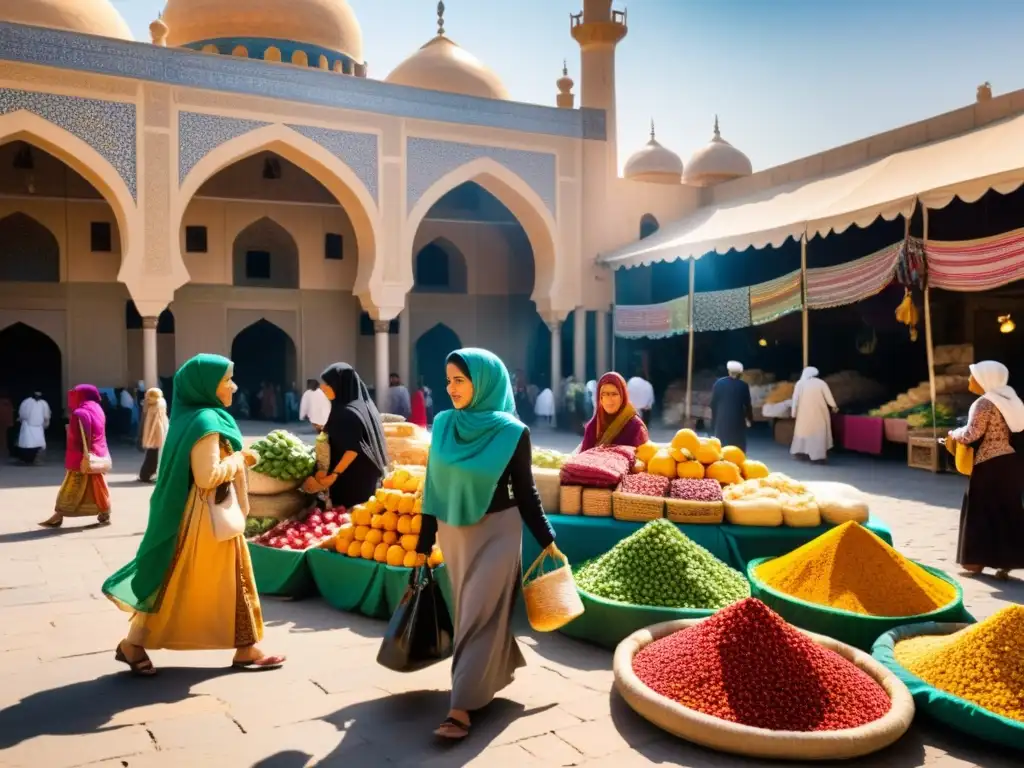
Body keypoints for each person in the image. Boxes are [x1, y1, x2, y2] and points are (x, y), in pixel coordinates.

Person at [102, 354, 284, 675]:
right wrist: (243, 458)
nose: (234, 386)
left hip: (195, 517)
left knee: (174, 580)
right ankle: (246, 649)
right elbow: (207, 476)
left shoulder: (191, 417)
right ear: (206, 386)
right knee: (231, 580)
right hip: (206, 519)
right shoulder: (205, 422)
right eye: (227, 380)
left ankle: (136, 642)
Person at [416, 349, 558, 741]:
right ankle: (493, 670)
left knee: (477, 611)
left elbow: (526, 491)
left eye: (460, 380)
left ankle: (459, 707)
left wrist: (547, 538)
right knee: (472, 612)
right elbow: (432, 484)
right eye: (448, 380)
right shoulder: (443, 423)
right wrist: (424, 539)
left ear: (485, 383)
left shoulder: (511, 431)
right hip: (453, 532)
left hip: (499, 530)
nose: (451, 389)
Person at [947, 361, 1024, 581]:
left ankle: (975, 561)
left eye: (973, 376)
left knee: (980, 512)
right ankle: (1008, 561)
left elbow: (972, 434)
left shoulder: (984, 403)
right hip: (1010, 464)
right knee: (1006, 511)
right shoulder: (1012, 401)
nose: (970, 380)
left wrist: (953, 435)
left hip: (989, 465)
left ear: (985, 380)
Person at [302, 363, 390, 510]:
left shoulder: (348, 412)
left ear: (340, 385)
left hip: (351, 480)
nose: (323, 387)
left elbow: (352, 449)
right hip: (366, 478)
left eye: (328, 384)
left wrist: (334, 475)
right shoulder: (364, 405)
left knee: (348, 519)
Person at [40, 385, 111, 527]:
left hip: (81, 458)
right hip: (99, 454)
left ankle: (59, 514)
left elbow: (77, 438)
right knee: (98, 486)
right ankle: (104, 512)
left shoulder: (80, 413)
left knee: (70, 487)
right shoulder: (98, 409)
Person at [578, 372, 650, 452]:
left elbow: (643, 458)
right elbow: (583, 457)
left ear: (622, 397)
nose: (609, 399)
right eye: (605, 394)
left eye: (614, 394)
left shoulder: (635, 426)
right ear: (600, 399)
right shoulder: (593, 426)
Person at [790, 367, 838, 463]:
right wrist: (834, 406)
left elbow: (795, 400)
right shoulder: (821, 383)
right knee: (818, 433)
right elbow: (828, 396)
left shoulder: (800, 384)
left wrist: (793, 412)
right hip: (819, 412)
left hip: (803, 414)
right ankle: (818, 457)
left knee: (803, 432)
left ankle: (801, 452)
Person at [710, 361, 753, 451]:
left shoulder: (719, 383)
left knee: (722, 445)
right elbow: (747, 405)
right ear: (740, 373)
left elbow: (713, 403)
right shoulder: (743, 385)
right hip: (738, 420)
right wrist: (749, 419)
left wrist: (714, 419)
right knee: (737, 446)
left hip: (722, 419)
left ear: (728, 371)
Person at [138, 388, 169, 483]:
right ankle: (148, 474)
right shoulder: (161, 403)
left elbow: (153, 424)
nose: (147, 399)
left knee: (152, 454)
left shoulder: (155, 406)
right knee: (155, 454)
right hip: (161, 431)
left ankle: (146, 475)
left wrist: (148, 438)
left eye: (148, 397)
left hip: (156, 433)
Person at [17, 391, 50, 465]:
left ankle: (35, 459)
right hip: (27, 426)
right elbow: (22, 414)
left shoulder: (43, 403)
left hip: (39, 427)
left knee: (39, 444)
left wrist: (46, 423)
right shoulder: (26, 402)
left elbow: (46, 415)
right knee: (27, 444)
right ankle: (25, 460)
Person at [0, 389, 13, 460]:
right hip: (5, 423)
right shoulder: (8, 403)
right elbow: (9, 412)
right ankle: (4, 451)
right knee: (4, 437)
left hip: (3, 422)